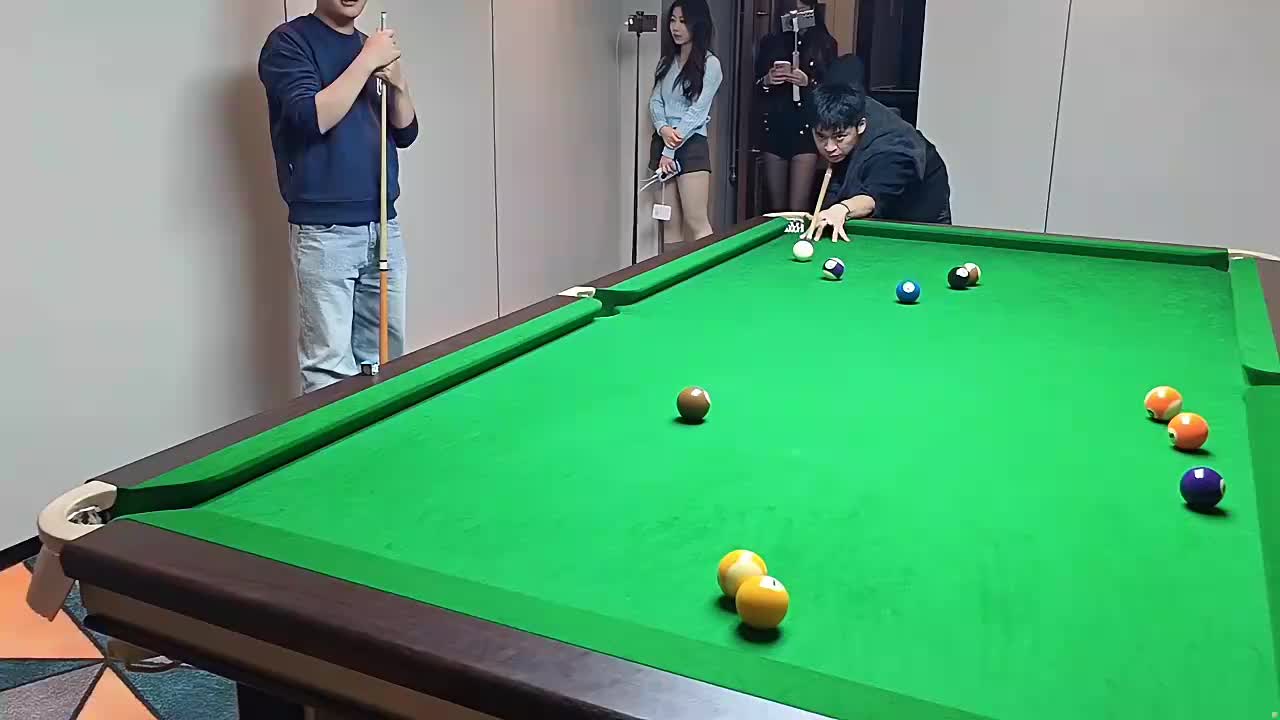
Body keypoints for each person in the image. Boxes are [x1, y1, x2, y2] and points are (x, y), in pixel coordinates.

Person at [258, 0, 420, 393]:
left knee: (385, 361)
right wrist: (366, 62)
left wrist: (399, 83)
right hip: (325, 231)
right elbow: (310, 119)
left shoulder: (370, 46)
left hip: (383, 224)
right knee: (329, 368)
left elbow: (406, 131)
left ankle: (381, 434)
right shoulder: (289, 42)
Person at [803, 55, 950, 242]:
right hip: (866, 179)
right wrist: (828, 211)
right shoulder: (838, 110)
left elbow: (872, 198)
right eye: (821, 137)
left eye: (839, 137)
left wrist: (842, 209)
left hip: (920, 212)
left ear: (861, 126)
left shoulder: (893, 151)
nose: (829, 147)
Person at [753, 0, 838, 213]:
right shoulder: (771, 42)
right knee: (776, 206)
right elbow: (756, 87)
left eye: (802, 10)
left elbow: (831, 91)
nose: (796, 15)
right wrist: (767, 80)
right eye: (792, 10)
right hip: (775, 126)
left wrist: (808, 82)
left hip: (806, 128)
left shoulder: (824, 43)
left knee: (798, 206)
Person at [649, 0, 723, 243]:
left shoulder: (711, 65)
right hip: (663, 143)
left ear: (698, 25)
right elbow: (655, 101)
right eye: (673, 20)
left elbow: (697, 112)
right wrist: (663, 128)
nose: (676, 27)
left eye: (683, 21)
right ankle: (674, 270)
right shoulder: (666, 62)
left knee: (697, 222)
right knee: (669, 227)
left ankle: (711, 268)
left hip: (690, 147)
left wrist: (670, 149)